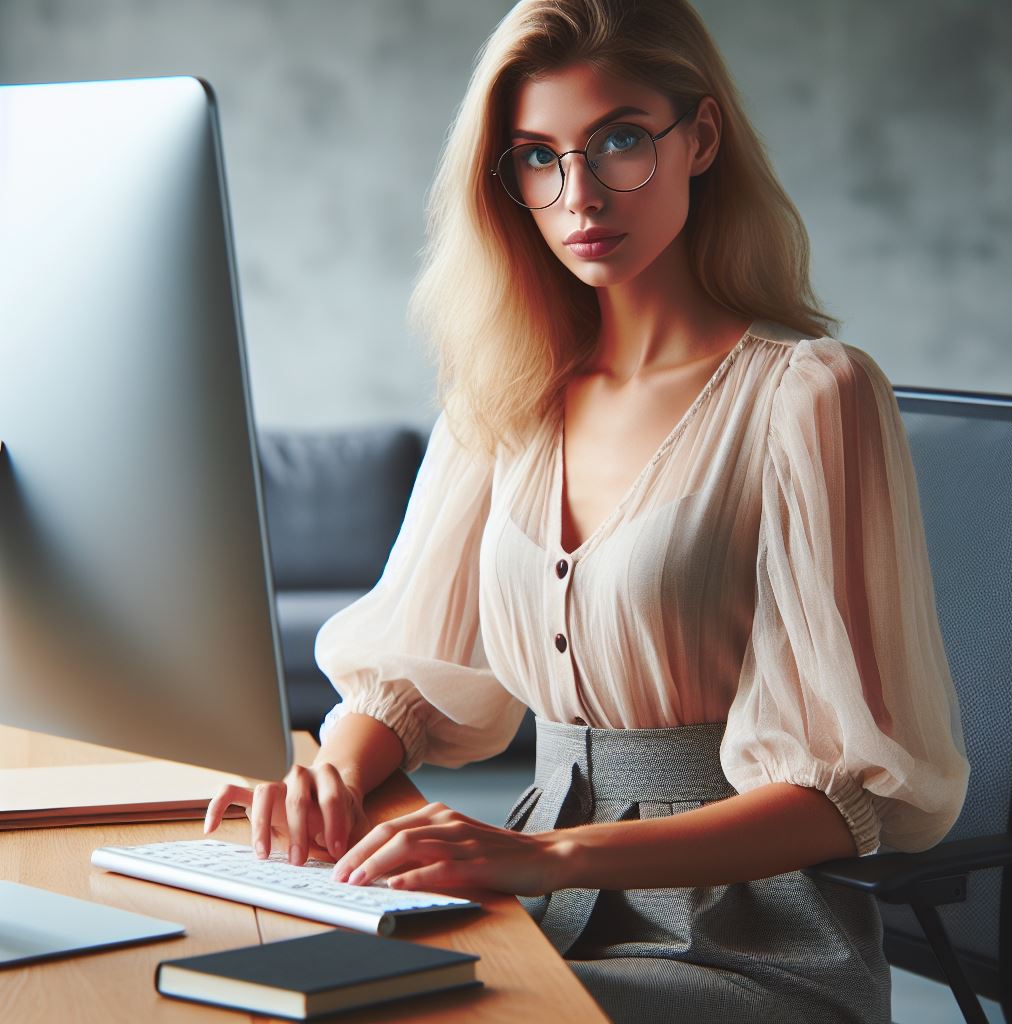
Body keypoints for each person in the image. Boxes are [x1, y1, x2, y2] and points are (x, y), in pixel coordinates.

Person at [206, 1, 971, 1020]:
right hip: (538, 903)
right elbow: (409, 682)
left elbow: (847, 791)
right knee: (241, 982)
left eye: (619, 141)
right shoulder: (504, 396)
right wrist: (328, 780)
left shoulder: (808, 395)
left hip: (744, 937)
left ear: (699, 138)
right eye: (536, 157)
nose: (578, 196)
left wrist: (543, 854)